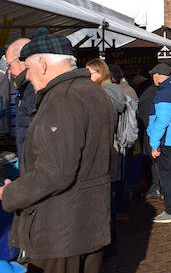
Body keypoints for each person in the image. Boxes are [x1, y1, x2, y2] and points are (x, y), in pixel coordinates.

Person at [0, 31, 113, 272]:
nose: (27, 76)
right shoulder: (92, 92)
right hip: (88, 224)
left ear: (42, 63)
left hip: (60, 230)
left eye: (28, 68)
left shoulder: (62, 99)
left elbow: (55, 173)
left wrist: (11, 194)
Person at [86, 58, 128, 246]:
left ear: (100, 73)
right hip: (111, 147)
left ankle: (107, 243)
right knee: (108, 197)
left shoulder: (102, 94)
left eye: (91, 72)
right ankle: (109, 241)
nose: (87, 76)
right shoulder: (113, 92)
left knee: (105, 199)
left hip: (106, 149)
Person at [147, 63, 171, 223]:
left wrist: (154, 143)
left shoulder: (164, 94)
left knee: (166, 177)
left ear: (157, 76)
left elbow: (162, 120)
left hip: (165, 140)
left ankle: (170, 211)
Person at [5, 38, 36, 160]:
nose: (9, 70)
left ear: (22, 61)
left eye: (9, 65)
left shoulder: (33, 89)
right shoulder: (25, 89)